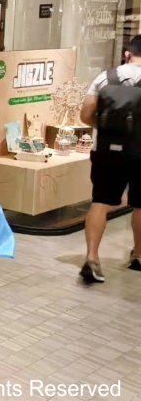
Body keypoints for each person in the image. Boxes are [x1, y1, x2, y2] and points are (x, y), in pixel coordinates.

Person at [79, 35, 141, 283]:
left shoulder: (105, 77)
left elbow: (85, 115)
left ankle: (92, 258)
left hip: (107, 150)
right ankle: (139, 256)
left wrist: (106, 130)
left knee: (100, 201)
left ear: (127, 53)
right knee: (140, 205)